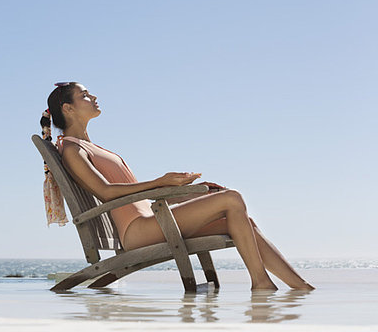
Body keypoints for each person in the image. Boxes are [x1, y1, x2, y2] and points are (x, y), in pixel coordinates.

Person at [44, 81, 315, 291]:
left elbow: (138, 200)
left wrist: (182, 195)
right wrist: (162, 181)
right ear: (68, 109)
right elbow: (105, 193)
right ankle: (261, 283)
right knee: (233, 199)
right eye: (85, 96)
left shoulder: (91, 146)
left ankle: (298, 285)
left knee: (244, 219)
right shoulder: (71, 149)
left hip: (151, 220)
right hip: (138, 232)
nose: (93, 98)